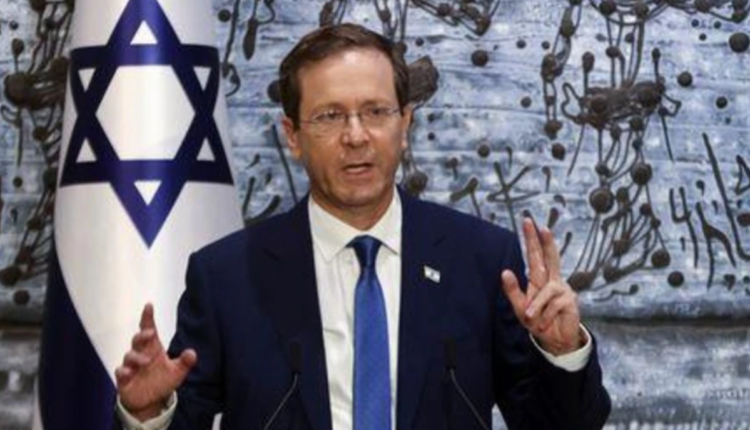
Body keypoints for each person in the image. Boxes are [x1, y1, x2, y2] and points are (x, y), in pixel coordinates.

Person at [114, 23, 611, 430]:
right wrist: (149, 414)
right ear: (292, 136)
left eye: (375, 111)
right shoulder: (227, 276)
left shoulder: (480, 261)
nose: (356, 136)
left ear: (405, 123)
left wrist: (561, 354)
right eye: (330, 116)